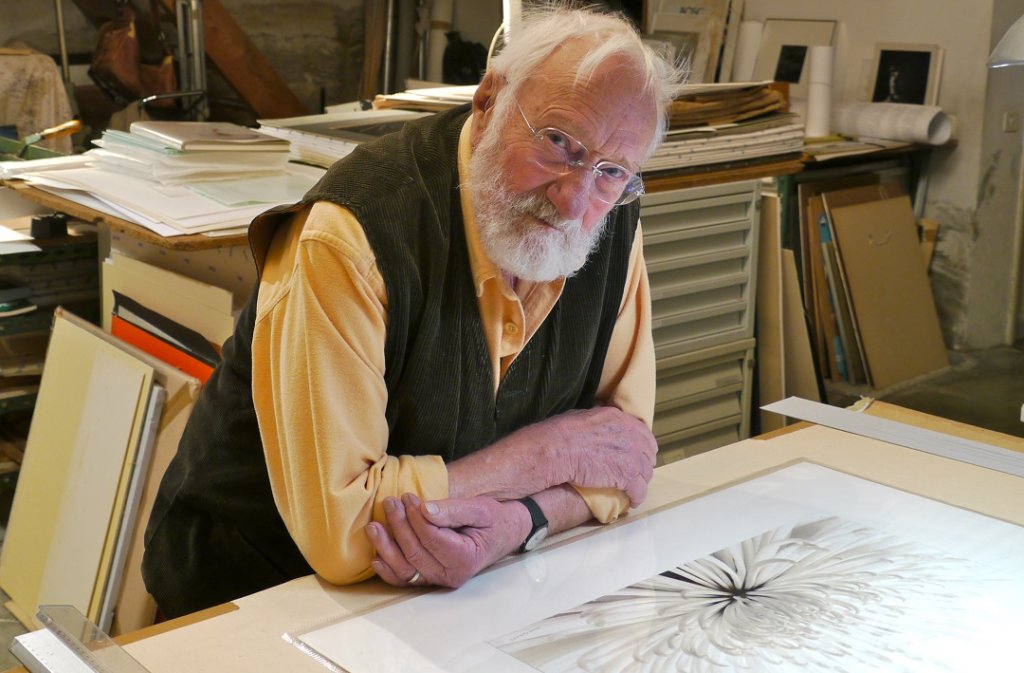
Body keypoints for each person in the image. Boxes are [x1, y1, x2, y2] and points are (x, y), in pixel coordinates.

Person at [142, 5, 682, 618]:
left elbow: (626, 461)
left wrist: (517, 522)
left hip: (454, 602)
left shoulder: (608, 223)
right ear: (488, 104)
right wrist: (551, 454)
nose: (574, 195)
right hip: (251, 599)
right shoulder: (348, 237)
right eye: (559, 142)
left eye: (612, 172)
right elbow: (344, 535)